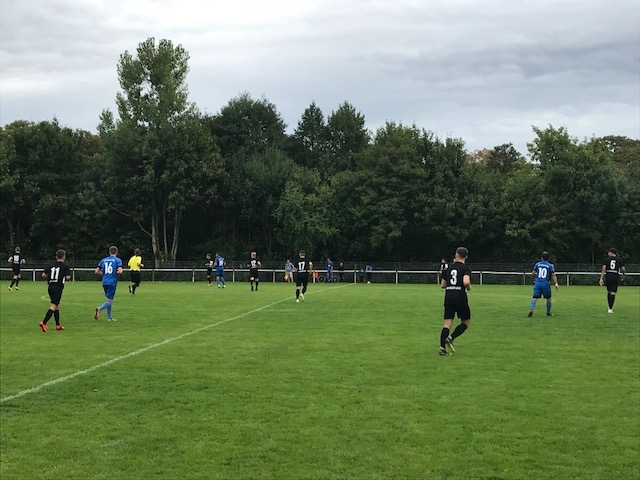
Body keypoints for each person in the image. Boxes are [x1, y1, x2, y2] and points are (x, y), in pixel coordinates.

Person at [439, 247, 472, 356]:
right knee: (465, 322)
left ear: (456, 255)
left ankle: (442, 349)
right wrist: (468, 287)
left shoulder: (448, 268)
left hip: (449, 297)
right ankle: (451, 338)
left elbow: (443, 285)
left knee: (447, 324)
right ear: (466, 257)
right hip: (460, 297)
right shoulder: (465, 268)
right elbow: (466, 282)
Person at [39, 249, 72, 332]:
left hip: (50, 287)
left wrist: (51, 276)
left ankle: (58, 325)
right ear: (64, 256)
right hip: (58, 287)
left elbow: (43, 275)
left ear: (56, 256)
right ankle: (44, 322)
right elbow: (68, 277)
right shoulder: (65, 266)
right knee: (53, 306)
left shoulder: (50, 265)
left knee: (57, 306)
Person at [94, 246, 123, 322]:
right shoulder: (117, 260)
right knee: (109, 301)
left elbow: (96, 271)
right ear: (116, 252)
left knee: (109, 300)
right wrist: (115, 273)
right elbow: (120, 271)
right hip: (112, 282)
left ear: (109, 252)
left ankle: (109, 317)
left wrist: (104, 274)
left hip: (104, 282)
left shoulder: (103, 260)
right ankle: (99, 309)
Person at [527, 251, 559, 317]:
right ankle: (548, 313)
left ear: (541, 258)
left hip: (537, 283)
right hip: (545, 283)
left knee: (534, 298)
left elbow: (533, 273)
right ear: (548, 258)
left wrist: (532, 279)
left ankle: (531, 309)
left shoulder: (537, 264)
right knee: (548, 298)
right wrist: (556, 283)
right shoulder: (550, 265)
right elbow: (553, 275)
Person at [599, 248, 626, 313]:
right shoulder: (619, 260)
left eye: (608, 252)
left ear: (611, 252)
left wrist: (601, 278)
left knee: (609, 291)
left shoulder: (606, 260)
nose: (608, 254)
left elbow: (603, 269)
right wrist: (623, 274)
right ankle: (610, 308)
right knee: (613, 292)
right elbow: (623, 269)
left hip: (608, 276)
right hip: (615, 276)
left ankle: (609, 306)